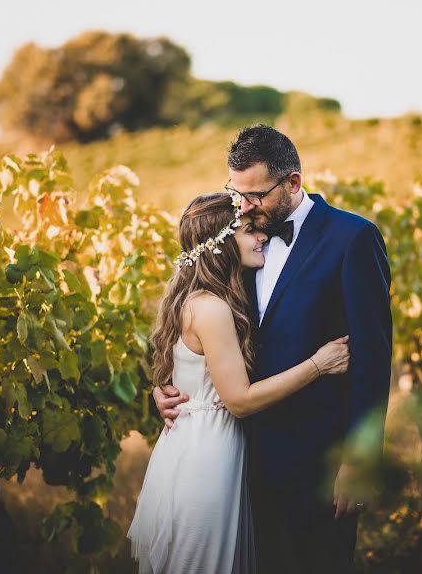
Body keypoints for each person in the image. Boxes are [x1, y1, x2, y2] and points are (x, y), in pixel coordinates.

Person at [155, 125, 392, 573]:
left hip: (318, 466)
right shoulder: (240, 243)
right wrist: (167, 390)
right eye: (236, 192)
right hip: (240, 464)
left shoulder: (353, 240)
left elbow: (373, 362)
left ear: (293, 183)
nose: (244, 205)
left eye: (256, 195)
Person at [127, 192, 351, 574]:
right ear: (221, 244)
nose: (261, 236)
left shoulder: (200, 297)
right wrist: (319, 363)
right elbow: (240, 401)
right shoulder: (212, 308)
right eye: (249, 231)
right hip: (206, 460)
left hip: (199, 446)